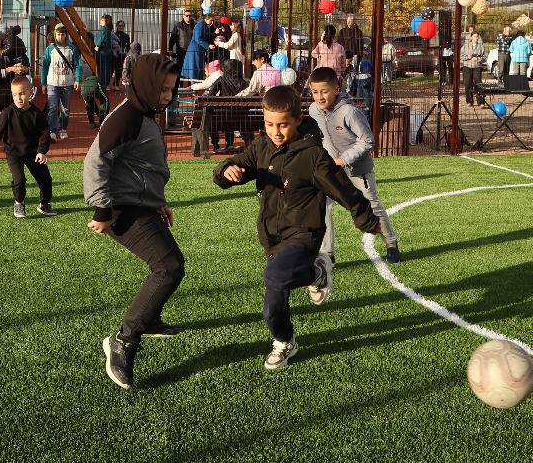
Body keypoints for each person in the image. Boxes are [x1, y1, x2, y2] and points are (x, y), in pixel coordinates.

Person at [214, 85, 380, 370]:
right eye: (269, 124)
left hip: (304, 233)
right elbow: (236, 166)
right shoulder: (261, 147)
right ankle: (285, 339)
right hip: (272, 235)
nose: (276, 131)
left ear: (298, 121)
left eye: (283, 125)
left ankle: (317, 269)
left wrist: (366, 219)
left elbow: (345, 191)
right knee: (272, 306)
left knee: (275, 276)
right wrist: (226, 171)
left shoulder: (313, 156)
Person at [84, 53, 184, 390]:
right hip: (121, 210)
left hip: (141, 206)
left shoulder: (144, 114)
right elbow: (95, 162)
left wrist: (159, 203)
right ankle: (123, 342)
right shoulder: (126, 117)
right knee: (168, 266)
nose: (168, 96)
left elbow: (141, 167)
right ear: (146, 84)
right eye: (163, 89)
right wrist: (101, 210)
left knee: (170, 265)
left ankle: (149, 318)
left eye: (171, 89)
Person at [307, 66, 400, 263]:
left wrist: (343, 160)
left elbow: (367, 141)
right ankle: (327, 255)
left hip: (358, 170)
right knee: (323, 207)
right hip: (330, 171)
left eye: (324, 91)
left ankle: (391, 243)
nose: (320, 96)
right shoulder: (313, 110)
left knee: (372, 206)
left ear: (336, 89)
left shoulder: (349, 112)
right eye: (315, 92)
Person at [0, 76, 55, 218]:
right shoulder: (7, 113)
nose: (18, 98)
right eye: (15, 94)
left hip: (33, 153)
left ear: (30, 92)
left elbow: (45, 133)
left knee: (45, 179)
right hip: (14, 153)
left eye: (22, 93)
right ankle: (19, 202)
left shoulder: (36, 114)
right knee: (19, 179)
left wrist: (41, 151)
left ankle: (44, 204)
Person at [42, 24, 83, 140]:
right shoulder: (50, 49)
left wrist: (78, 79)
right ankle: (52, 130)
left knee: (65, 109)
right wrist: (43, 83)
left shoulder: (72, 48)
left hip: (67, 83)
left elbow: (78, 64)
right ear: (55, 35)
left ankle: (63, 129)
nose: (60, 37)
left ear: (66, 35)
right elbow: (45, 66)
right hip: (52, 83)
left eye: (62, 34)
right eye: (58, 34)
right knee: (53, 107)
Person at [181, 12, 216, 80]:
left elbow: (205, 36)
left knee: (197, 67)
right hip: (195, 49)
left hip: (198, 49)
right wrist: (208, 45)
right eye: (211, 20)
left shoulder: (204, 25)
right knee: (194, 68)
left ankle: (195, 84)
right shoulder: (200, 25)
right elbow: (198, 39)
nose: (212, 22)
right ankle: (193, 85)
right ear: (206, 19)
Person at [460, 26, 485, 107]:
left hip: (477, 66)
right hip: (467, 66)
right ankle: (469, 101)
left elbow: (484, 57)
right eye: (474, 37)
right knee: (467, 84)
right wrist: (468, 57)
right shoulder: (465, 46)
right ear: (471, 37)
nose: (476, 38)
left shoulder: (480, 46)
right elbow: (461, 56)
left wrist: (477, 59)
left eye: (477, 37)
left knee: (478, 84)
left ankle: (481, 102)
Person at [111, 20, 131, 87]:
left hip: (121, 55)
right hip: (113, 54)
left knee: (119, 70)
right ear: (116, 26)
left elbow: (128, 46)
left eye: (123, 26)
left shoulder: (126, 36)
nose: (121, 27)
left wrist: (126, 52)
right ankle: (108, 84)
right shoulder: (113, 35)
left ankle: (116, 84)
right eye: (119, 25)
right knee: (111, 69)